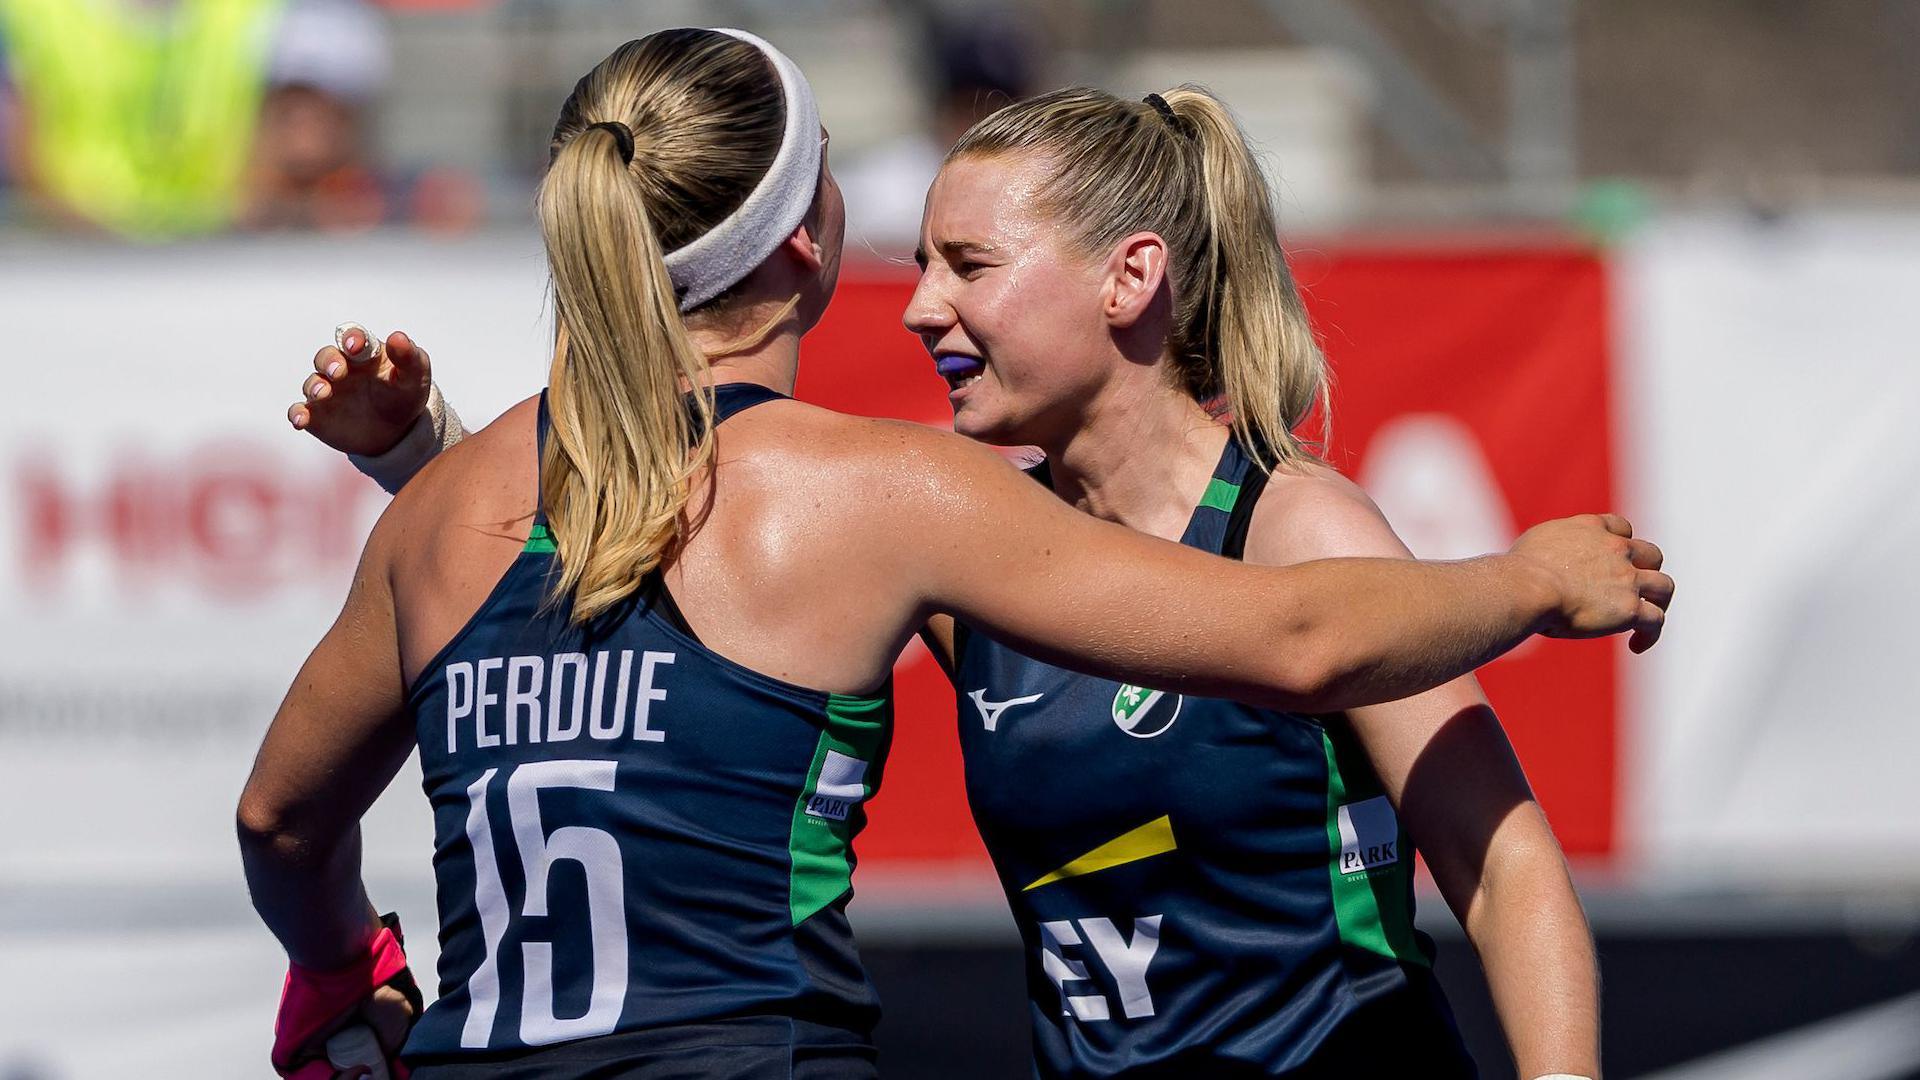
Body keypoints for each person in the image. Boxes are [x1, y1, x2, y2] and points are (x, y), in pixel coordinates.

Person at [253, 28, 1669, 1080]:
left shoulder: (1286, 522)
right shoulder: (953, 536)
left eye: (970, 268)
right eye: (918, 258)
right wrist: (427, 462)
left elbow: (1501, 863)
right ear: (807, 236)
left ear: (1130, 275)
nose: (922, 308)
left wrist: (429, 474)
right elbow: (669, 597)